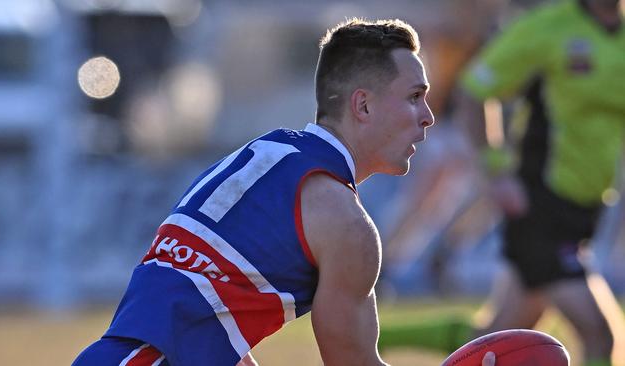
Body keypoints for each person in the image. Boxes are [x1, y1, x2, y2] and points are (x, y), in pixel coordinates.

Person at [73, 18, 489, 366]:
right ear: (362, 106)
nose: (429, 117)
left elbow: (206, 317)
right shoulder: (346, 225)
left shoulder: (261, 154)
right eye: (415, 97)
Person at [380, 1, 625, 365]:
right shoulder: (549, 26)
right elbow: (474, 89)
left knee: (496, 337)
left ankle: (370, 338)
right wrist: (495, 170)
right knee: (598, 334)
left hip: (585, 210)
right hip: (540, 205)